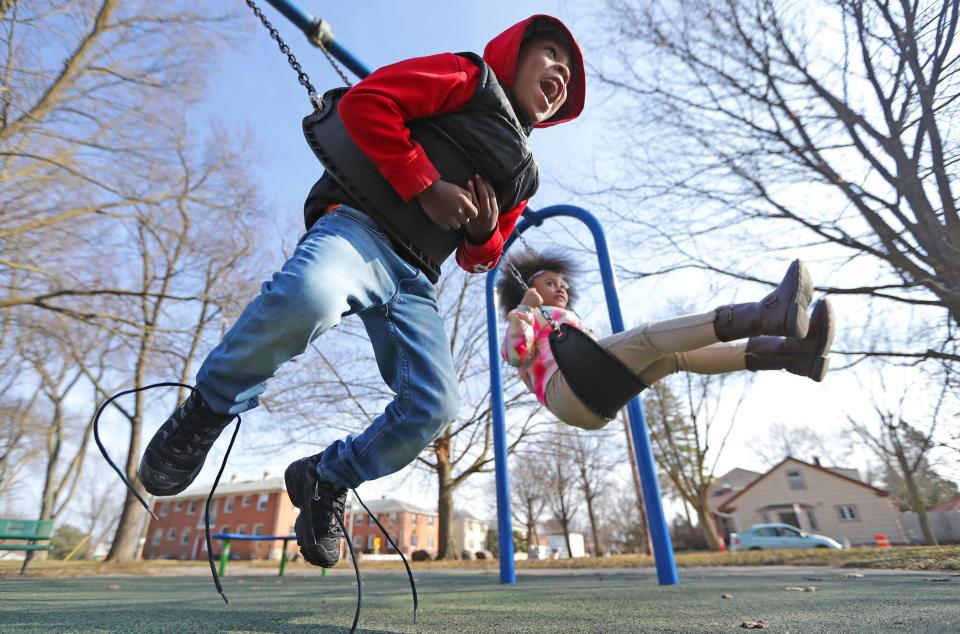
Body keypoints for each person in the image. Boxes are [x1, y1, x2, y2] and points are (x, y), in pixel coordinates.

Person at [135, 16, 586, 568]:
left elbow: (482, 257)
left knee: (435, 407)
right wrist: (425, 185)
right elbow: (365, 105)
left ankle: (326, 478)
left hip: (416, 277)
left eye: (569, 73)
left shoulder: (522, 174)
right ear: (513, 55)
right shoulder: (467, 77)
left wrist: (477, 232)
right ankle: (209, 408)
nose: (561, 73)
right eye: (550, 55)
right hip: (361, 227)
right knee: (309, 295)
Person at [498, 251, 835, 430]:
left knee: (675, 357)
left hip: (594, 404)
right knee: (647, 337)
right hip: (564, 389)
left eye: (563, 284)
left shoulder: (567, 321)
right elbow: (513, 355)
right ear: (530, 289)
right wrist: (524, 309)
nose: (561, 288)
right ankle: (764, 315)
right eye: (550, 282)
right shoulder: (529, 315)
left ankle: (792, 355)